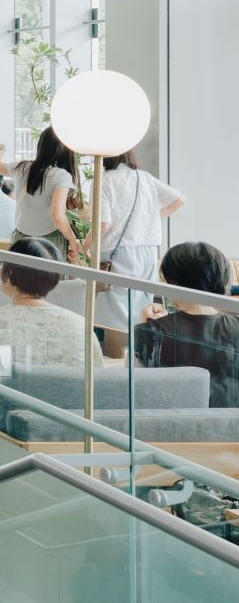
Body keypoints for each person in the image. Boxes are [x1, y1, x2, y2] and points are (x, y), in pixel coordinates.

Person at [0, 239, 99, 384]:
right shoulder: (82, 326)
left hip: (6, 406)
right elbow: (98, 381)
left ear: (9, 272)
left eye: (2, 263)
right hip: (66, 407)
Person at [93, 150, 186, 336]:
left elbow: (103, 223)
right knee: (142, 301)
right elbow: (179, 200)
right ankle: (140, 346)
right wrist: (149, 221)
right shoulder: (145, 177)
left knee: (113, 305)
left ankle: (115, 351)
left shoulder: (105, 179)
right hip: (148, 248)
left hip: (114, 249)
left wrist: (86, 246)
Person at [135, 242, 239, 407]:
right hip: (230, 426)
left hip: (173, 424)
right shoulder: (236, 325)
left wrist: (146, 326)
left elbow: (137, 387)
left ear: (173, 281)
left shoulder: (154, 329)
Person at [15, 127, 85, 261]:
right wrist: (72, 239)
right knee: (53, 281)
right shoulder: (61, 176)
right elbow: (57, 216)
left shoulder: (22, 167)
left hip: (20, 239)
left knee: (19, 280)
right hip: (50, 242)